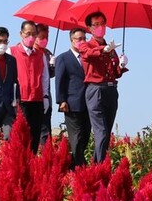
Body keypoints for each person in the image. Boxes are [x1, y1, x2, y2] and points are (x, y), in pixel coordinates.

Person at [76, 12, 129, 163]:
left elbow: (115, 73)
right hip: (96, 90)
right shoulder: (86, 45)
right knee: (102, 132)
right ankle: (99, 168)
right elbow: (87, 54)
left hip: (111, 90)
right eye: (96, 24)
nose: (100, 27)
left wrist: (121, 65)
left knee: (106, 132)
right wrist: (102, 50)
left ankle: (97, 165)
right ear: (89, 28)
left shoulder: (110, 47)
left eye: (103, 24)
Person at [10, 21, 50, 154]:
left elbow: (44, 77)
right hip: (21, 99)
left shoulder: (40, 54)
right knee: (21, 134)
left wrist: (45, 96)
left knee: (35, 134)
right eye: (28, 34)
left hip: (37, 99)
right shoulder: (13, 51)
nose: (31, 37)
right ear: (21, 34)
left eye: (34, 34)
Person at [55, 27, 91, 168]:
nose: (82, 41)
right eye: (78, 39)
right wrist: (61, 100)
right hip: (71, 103)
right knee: (76, 137)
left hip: (88, 103)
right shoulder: (63, 58)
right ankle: (79, 167)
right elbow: (59, 81)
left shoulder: (87, 58)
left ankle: (72, 164)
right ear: (71, 40)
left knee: (86, 135)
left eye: (84, 38)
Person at [35, 23, 56, 146]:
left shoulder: (48, 53)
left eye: (47, 37)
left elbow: (51, 75)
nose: (45, 40)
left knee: (45, 129)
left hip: (46, 96)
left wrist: (52, 65)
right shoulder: (31, 51)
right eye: (42, 37)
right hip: (32, 96)